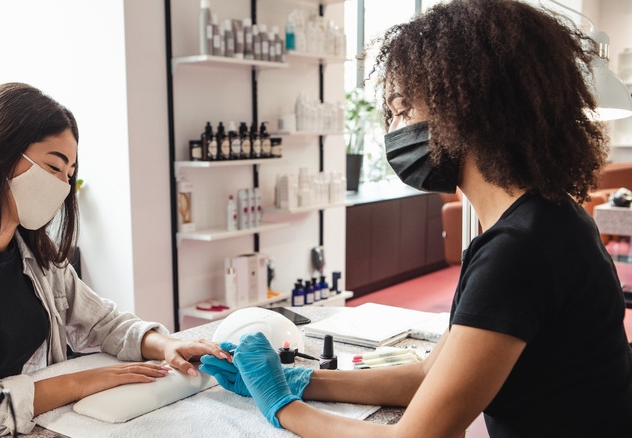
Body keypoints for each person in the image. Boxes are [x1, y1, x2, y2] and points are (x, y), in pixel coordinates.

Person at [200, 0, 632, 436]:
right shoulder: (548, 216)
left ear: (467, 107)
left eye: (404, 109)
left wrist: (281, 404)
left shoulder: (519, 251)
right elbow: (427, 377)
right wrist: (304, 381)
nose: (396, 129)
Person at [0, 82, 231, 438]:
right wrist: (77, 382)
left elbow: (101, 322)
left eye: (69, 174)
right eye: (54, 168)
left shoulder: (36, 257)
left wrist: (165, 346)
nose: (62, 185)